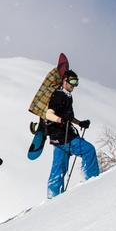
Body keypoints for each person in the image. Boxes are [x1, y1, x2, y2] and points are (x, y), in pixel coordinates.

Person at [45, 70, 100, 198]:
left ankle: (53, 195)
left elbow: (68, 116)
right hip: (62, 135)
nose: (74, 85)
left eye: (77, 82)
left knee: (59, 167)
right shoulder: (58, 95)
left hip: (60, 137)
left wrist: (80, 123)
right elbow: (48, 114)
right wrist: (60, 120)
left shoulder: (68, 96)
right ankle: (92, 180)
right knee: (88, 150)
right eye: (72, 82)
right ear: (65, 80)